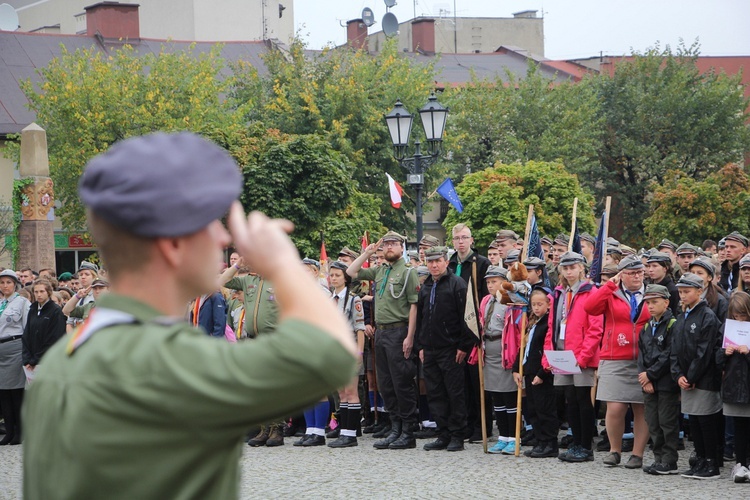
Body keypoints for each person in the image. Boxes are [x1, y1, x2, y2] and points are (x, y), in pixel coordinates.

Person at [22, 132, 357, 499]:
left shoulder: (65, 358)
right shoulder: (163, 360)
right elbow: (332, 355)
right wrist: (283, 264)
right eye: (206, 223)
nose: (220, 237)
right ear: (173, 246)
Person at [347, 231, 420, 450]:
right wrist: (368, 252)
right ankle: (395, 428)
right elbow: (351, 272)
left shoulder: (408, 273)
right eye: (386, 244)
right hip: (381, 333)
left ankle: (408, 431)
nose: (389, 247)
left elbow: (414, 306)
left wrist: (410, 336)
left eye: (394, 244)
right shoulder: (380, 270)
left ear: (401, 248)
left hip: (399, 331)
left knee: (402, 383)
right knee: (386, 385)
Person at [585, 255, 652, 470]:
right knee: (614, 407)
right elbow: (591, 308)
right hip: (615, 356)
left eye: (640, 272)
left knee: (642, 408)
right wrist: (608, 286)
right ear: (621, 274)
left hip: (644, 359)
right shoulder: (612, 293)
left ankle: (637, 454)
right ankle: (615, 450)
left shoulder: (651, 293)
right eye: (632, 273)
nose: (637, 276)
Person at [544, 251, 603, 463]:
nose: (569, 271)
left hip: (581, 355)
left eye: (573, 267)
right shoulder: (559, 293)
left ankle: (586, 446)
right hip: (562, 353)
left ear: (582, 269)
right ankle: (575, 442)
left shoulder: (591, 292)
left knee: (583, 400)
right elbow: (553, 325)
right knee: (570, 400)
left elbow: (595, 329)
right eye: (565, 268)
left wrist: (584, 356)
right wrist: (548, 356)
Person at [416, 247, 475, 452]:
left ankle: (458, 434)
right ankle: (443, 433)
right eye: (430, 262)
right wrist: (421, 346)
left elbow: (467, 317)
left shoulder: (457, 284)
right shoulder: (426, 285)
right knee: (435, 393)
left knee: (454, 393)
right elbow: (422, 318)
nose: (434, 265)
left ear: (445, 262)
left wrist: (463, 345)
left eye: (438, 261)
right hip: (430, 349)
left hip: (451, 348)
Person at [670, 273, 723, 480]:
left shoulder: (707, 316)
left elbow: (704, 352)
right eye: (680, 292)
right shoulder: (682, 316)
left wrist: (691, 376)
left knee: (705, 421)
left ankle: (711, 462)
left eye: (686, 291)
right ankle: (700, 459)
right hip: (686, 379)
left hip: (703, 379)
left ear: (699, 292)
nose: (682, 296)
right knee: (693, 421)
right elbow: (675, 350)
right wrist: (678, 375)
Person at [448, 223, 491, 442]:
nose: (461, 242)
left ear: (471, 240)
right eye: (457, 238)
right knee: (460, 383)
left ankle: (480, 425)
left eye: (465, 237)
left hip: (474, 328)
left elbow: (484, 298)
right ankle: (463, 423)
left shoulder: (481, 263)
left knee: (476, 382)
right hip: (454, 328)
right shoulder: (450, 263)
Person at [637, 284, 680, 475]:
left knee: (667, 421)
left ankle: (669, 460)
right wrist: (644, 378)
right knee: (652, 421)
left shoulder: (673, 324)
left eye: (655, 302)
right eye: (648, 303)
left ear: (666, 302)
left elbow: (669, 354)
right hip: (649, 382)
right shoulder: (646, 327)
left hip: (665, 382)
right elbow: (642, 355)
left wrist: (650, 375)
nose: (651, 306)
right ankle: (658, 458)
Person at [325, 261, 366, 448]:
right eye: (331, 275)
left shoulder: (353, 299)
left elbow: (359, 328)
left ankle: (351, 435)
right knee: (341, 392)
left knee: (351, 391)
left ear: (345, 278)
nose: (334, 278)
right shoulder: (330, 299)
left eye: (337, 275)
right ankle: (345, 430)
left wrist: (359, 352)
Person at [513, 289, 558, 458]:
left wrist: (542, 373)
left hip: (542, 373)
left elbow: (547, 350)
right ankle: (540, 441)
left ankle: (549, 442)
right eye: (534, 304)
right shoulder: (533, 322)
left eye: (540, 304)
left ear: (548, 305)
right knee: (533, 408)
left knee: (545, 408)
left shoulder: (548, 324)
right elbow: (524, 347)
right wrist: (516, 369)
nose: (536, 308)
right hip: (529, 371)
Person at [716, 292, 750, 483]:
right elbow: (716, 359)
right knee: (738, 425)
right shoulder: (726, 328)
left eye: (743, 315)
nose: (740, 319)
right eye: (736, 315)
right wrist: (724, 353)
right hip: (733, 384)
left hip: (746, 382)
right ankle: (740, 463)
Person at [0, 270, 30, 446]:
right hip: (1, 349)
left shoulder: (22, 302)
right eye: (2, 282)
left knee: (16, 392)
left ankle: (20, 431)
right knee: (3, 392)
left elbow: (27, 327)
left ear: (15, 284)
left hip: (15, 348)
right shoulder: (1, 303)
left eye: (8, 282)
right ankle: (9, 431)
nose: (5, 286)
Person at [22, 279, 67, 373]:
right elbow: (27, 334)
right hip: (32, 360)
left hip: (48, 359)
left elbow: (54, 338)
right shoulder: (33, 309)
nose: (39, 295)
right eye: (36, 292)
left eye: (42, 291)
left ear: (49, 292)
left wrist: (35, 359)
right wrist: (27, 358)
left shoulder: (55, 311)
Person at [689, 257, 729, 324]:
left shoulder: (720, 301)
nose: (695, 276)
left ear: (709, 277)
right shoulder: (685, 296)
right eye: (692, 273)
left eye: (700, 273)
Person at [645, 251, 680, 316]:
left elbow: (674, 314)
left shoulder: (672, 290)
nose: (650, 269)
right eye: (649, 266)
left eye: (654, 266)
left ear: (665, 268)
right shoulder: (647, 286)